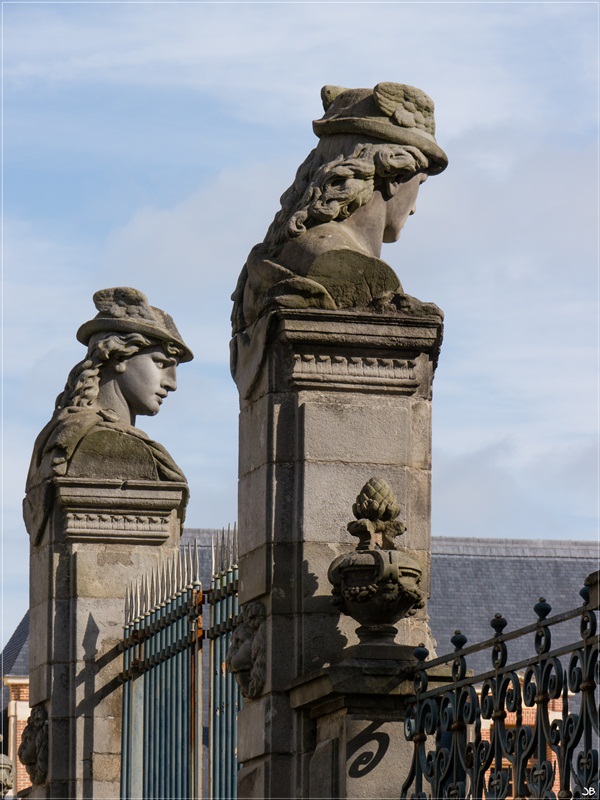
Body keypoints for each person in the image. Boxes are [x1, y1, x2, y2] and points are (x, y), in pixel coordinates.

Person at [232, 82, 448, 334]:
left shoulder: (284, 255)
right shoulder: (350, 267)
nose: (413, 209)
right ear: (394, 176)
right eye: (419, 182)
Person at [23, 287, 193, 544]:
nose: (172, 383)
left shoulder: (61, 434)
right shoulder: (114, 447)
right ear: (118, 357)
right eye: (160, 363)